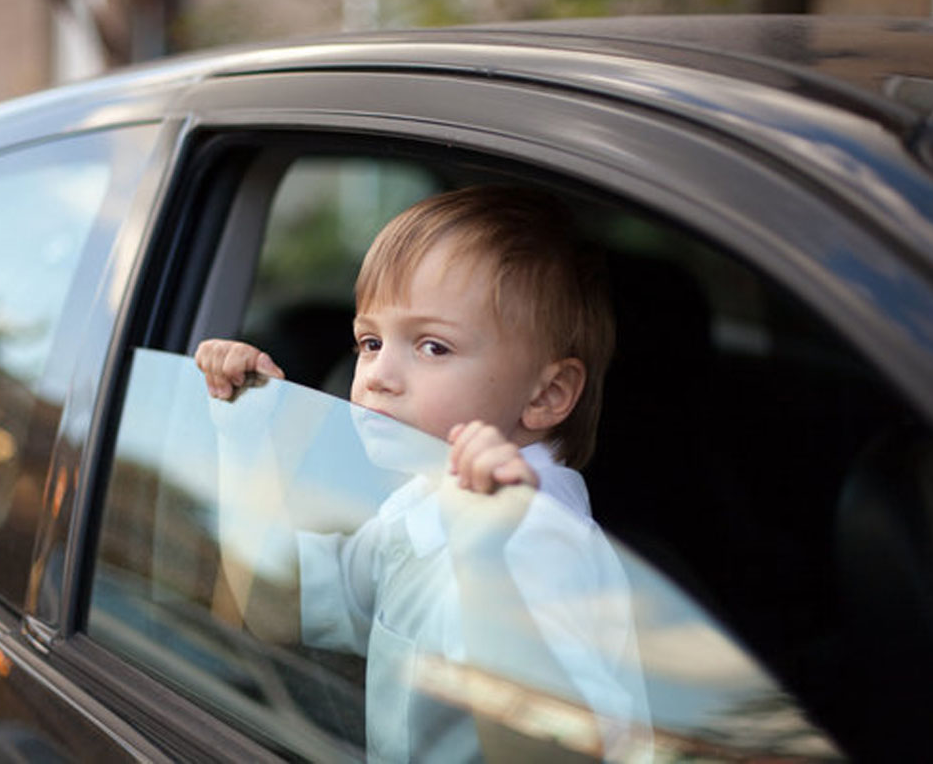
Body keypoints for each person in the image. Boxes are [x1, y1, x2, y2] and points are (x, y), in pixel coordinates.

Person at [196, 185, 647, 761]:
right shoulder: (421, 509)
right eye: (370, 341)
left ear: (547, 395)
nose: (377, 375)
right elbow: (276, 606)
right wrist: (244, 438)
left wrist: (485, 566)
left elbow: (558, 756)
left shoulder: (537, 542)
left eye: (433, 347)